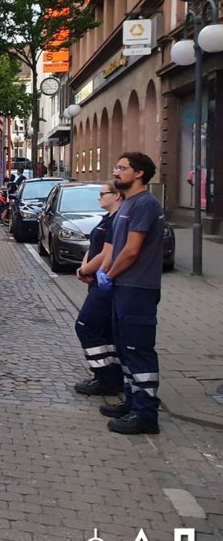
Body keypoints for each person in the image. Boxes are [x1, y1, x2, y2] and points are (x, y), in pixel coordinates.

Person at [98, 152, 166, 435]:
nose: (116, 172)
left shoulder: (145, 204)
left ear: (138, 173)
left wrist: (109, 274)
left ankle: (146, 414)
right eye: (116, 167)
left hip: (137, 287)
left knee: (138, 349)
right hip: (125, 287)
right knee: (126, 348)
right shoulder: (129, 203)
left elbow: (132, 249)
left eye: (121, 168)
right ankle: (133, 401)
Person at [72, 182, 125, 397]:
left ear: (117, 196)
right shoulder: (107, 219)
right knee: (105, 332)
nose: (99, 198)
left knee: (86, 326)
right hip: (96, 280)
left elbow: (107, 254)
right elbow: (93, 247)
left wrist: (86, 270)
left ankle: (104, 375)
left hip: (105, 284)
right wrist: (84, 268)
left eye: (103, 194)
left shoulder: (118, 221)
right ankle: (112, 375)